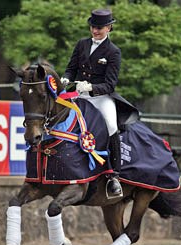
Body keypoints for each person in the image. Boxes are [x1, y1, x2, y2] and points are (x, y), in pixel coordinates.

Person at [61, 8, 123, 198]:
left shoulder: (113, 52)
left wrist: (92, 88)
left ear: (109, 28)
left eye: (100, 28)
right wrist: (65, 78)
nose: (96, 31)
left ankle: (114, 176)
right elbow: (71, 68)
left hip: (100, 97)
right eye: (93, 27)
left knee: (111, 126)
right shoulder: (82, 44)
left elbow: (110, 85)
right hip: (79, 94)